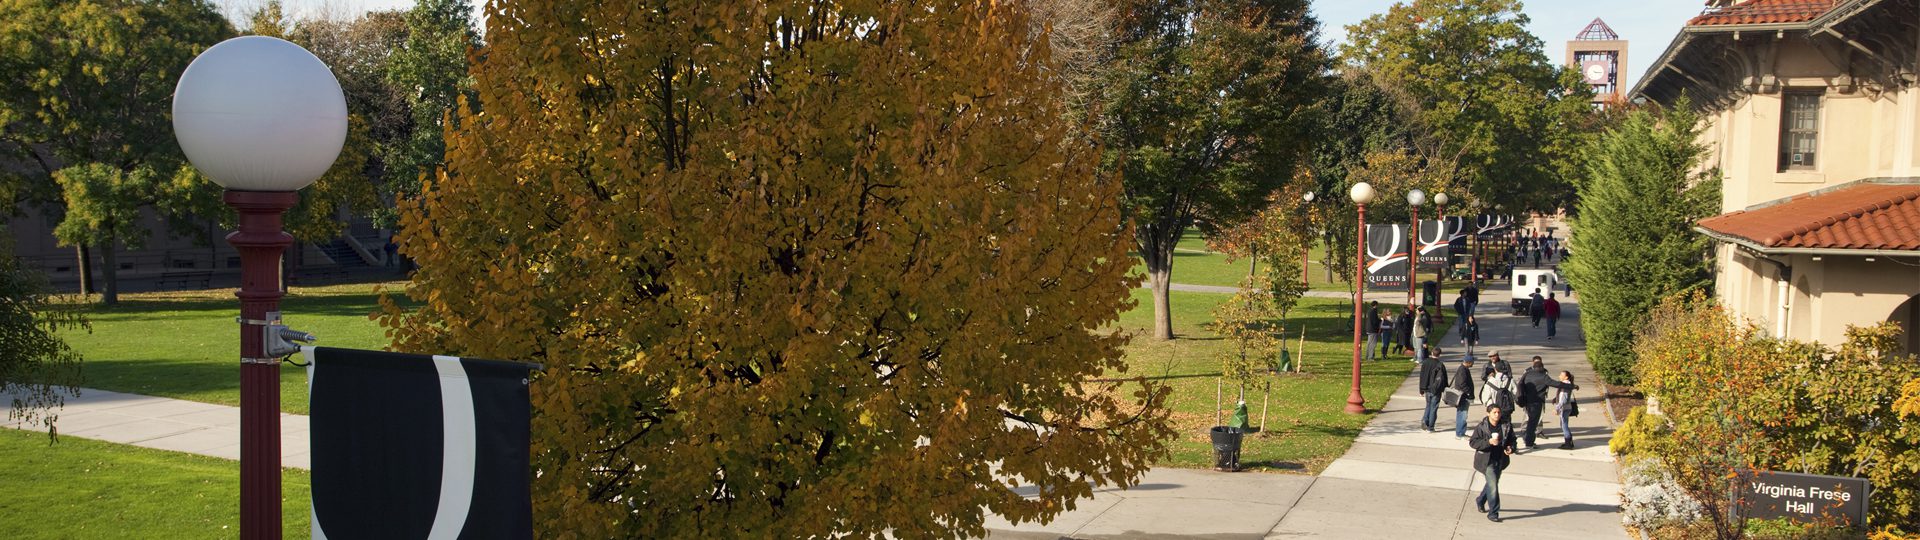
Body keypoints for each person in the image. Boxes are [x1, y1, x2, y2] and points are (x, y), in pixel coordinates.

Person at [1469, 404, 1517, 522]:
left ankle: (1480, 500)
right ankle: (1493, 513)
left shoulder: (1506, 426)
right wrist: (1488, 442)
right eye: (1494, 412)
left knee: (1492, 484)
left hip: (1500, 460)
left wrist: (1511, 448)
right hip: (1487, 461)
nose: (1497, 415)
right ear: (1488, 413)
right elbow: (1473, 442)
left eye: (1498, 412)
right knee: (1493, 486)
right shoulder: (1481, 427)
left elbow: (1512, 440)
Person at [1517, 357, 1553, 450]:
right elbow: (1521, 384)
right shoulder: (1527, 372)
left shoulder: (1544, 372)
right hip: (1531, 400)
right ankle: (1527, 436)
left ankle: (1537, 432)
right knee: (1529, 420)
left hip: (1537, 399)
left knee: (1537, 419)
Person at [1418, 346, 1449, 431]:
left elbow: (1422, 376)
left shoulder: (1425, 362)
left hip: (1427, 388)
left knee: (1428, 405)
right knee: (1434, 408)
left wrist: (1421, 389)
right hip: (1436, 389)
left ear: (1432, 353)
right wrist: (1445, 389)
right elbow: (1444, 379)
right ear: (1439, 355)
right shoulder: (1440, 365)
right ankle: (1431, 427)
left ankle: (1425, 421)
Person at [1452, 355, 1478, 438]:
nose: (1473, 363)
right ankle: (1460, 433)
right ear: (1468, 362)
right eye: (1472, 362)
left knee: (1461, 414)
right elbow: (1462, 384)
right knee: (1462, 415)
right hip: (1463, 397)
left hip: (1463, 396)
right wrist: (1469, 393)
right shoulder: (1462, 370)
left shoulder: (1463, 369)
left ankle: (1460, 432)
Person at [1554, 370, 1581, 449]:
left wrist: (1557, 408)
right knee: (1563, 425)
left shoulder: (1566, 385)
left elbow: (1564, 399)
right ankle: (1569, 442)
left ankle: (1568, 443)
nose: (1559, 376)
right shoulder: (1566, 384)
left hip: (1564, 408)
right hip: (1566, 408)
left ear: (1566, 377)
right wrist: (1555, 399)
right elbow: (1562, 396)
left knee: (1564, 425)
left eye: (1561, 375)